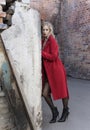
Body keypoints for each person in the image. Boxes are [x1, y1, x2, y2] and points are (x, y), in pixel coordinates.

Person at [41, 21, 69, 123]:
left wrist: (41, 53)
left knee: (63, 92)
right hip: (49, 72)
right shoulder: (42, 41)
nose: (44, 31)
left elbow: (54, 56)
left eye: (46, 30)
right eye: (43, 29)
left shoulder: (52, 40)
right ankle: (54, 111)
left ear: (50, 31)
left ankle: (65, 111)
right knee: (44, 93)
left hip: (56, 70)